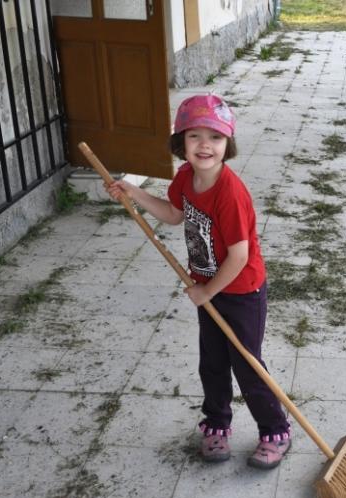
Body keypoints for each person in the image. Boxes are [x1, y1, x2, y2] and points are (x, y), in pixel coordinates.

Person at [105, 94, 291, 468]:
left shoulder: (230, 194)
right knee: (212, 362)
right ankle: (217, 426)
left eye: (215, 137)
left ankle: (275, 430)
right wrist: (134, 193)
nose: (205, 145)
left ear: (228, 144)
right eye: (194, 136)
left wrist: (206, 290)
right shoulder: (186, 178)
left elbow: (238, 257)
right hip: (208, 288)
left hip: (240, 291)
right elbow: (174, 214)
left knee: (247, 364)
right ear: (181, 142)